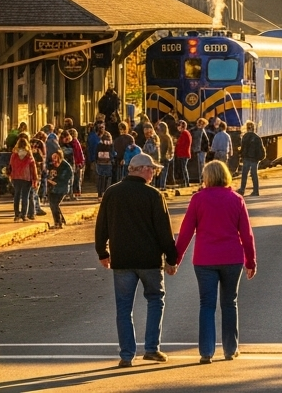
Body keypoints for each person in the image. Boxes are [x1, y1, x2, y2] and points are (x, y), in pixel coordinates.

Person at [95, 152, 177, 366]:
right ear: (142, 169)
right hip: (149, 260)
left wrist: (102, 252)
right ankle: (151, 348)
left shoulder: (112, 193)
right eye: (152, 169)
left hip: (122, 259)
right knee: (156, 300)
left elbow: (101, 225)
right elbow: (164, 231)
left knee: (123, 307)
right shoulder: (153, 195)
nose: (154, 173)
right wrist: (171, 258)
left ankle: (126, 354)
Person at [173, 159, 257, 365]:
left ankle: (206, 351)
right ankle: (230, 348)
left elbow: (186, 231)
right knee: (230, 303)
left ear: (207, 177)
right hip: (232, 258)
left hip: (204, 259)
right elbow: (246, 234)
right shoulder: (236, 199)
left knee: (207, 305)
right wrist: (250, 261)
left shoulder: (198, 199)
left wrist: (175, 258)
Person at [8, 136, 38, 221]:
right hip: (26, 177)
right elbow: (33, 167)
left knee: (16, 196)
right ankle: (24, 215)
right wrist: (35, 178)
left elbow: (10, 165)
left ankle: (16, 215)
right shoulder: (29, 155)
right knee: (25, 196)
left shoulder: (14, 155)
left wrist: (10, 175)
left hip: (16, 177)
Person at [47, 149, 73, 228]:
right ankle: (60, 221)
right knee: (53, 205)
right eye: (53, 157)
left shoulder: (65, 166)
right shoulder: (51, 164)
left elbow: (65, 177)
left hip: (61, 189)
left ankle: (58, 222)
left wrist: (54, 181)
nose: (54, 159)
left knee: (55, 204)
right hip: (52, 188)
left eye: (55, 157)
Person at [238, 121, 263, 196]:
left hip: (247, 158)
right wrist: (259, 158)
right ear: (253, 128)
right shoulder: (257, 137)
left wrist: (241, 154)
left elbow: (243, 148)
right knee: (254, 174)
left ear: (246, 128)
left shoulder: (245, 137)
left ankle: (242, 190)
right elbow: (260, 149)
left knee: (244, 175)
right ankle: (256, 191)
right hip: (255, 159)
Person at [155, 121, 174, 190]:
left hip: (161, 157)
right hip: (165, 157)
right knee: (164, 173)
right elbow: (170, 148)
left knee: (159, 173)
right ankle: (162, 186)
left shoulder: (159, 137)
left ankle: (159, 185)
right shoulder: (168, 137)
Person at [95, 132, 114, 197]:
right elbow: (112, 153)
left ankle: (99, 194)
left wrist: (96, 160)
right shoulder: (111, 145)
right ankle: (106, 193)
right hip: (108, 163)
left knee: (100, 178)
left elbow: (96, 153)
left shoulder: (99, 144)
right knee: (107, 179)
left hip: (100, 163)